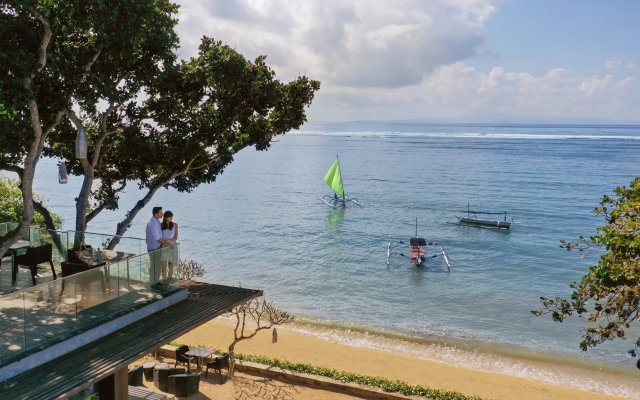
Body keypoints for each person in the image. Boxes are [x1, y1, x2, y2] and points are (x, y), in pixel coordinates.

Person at [145, 206, 166, 289]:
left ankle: (156, 281)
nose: (162, 214)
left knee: (157, 265)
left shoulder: (156, 221)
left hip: (157, 247)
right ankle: (153, 284)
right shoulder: (153, 223)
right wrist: (166, 244)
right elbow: (158, 238)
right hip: (154, 248)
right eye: (161, 213)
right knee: (154, 266)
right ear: (156, 214)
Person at [160, 210, 179, 290]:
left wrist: (170, 242)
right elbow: (159, 238)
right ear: (166, 218)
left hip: (173, 247)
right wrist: (167, 243)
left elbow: (176, 237)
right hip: (164, 247)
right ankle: (164, 283)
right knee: (164, 266)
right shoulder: (161, 225)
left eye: (172, 217)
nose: (172, 218)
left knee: (171, 266)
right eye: (170, 217)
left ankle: (167, 283)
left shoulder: (175, 225)